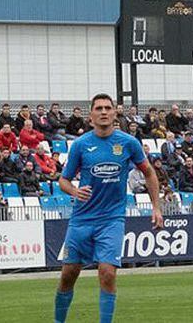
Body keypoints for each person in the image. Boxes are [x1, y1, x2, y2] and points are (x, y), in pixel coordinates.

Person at [54, 94, 163, 323]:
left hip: (112, 220)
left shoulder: (128, 143)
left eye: (107, 108)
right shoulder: (81, 145)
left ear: (115, 113)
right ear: (91, 115)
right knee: (68, 275)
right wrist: (74, 191)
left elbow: (149, 173)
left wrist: (156, 207)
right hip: (81, 220)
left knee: (107, 272)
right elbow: (63, 181)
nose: (103, 112)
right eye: (98, 108)